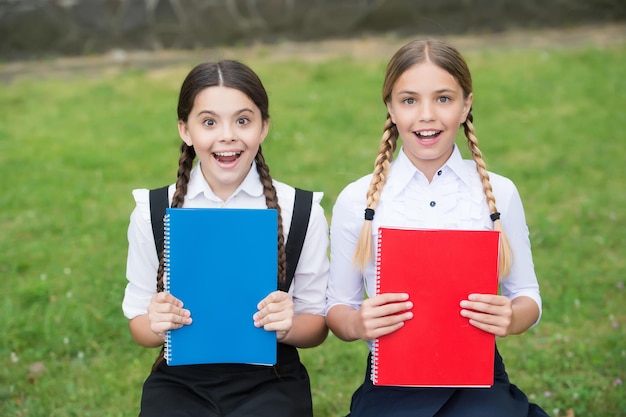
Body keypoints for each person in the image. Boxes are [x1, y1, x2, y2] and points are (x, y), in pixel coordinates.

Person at [325, 39, 549, 417]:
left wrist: (512, 317)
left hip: (479, 381)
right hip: (391, 382)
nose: (426, 115)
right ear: (391, 109)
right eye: (409, 100)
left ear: (466, 105)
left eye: (443, 99)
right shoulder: (357, 199)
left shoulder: (498, 192)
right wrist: (358, 323)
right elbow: (337, 308)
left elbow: (527, 294)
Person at [122, 59, 330, 417]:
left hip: (272, 378)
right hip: (181, 380)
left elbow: (317, 326)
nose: (227, 135)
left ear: (264, 127)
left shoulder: (301, 210)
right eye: (208, 122)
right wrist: (156, 323)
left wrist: (288, 324)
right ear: (185, 130)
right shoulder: (152, 211)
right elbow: (139, 326)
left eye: (243, 120)